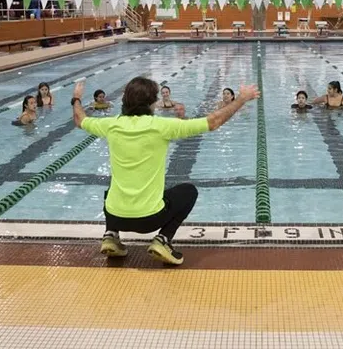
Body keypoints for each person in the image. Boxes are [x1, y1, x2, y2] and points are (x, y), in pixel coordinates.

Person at [71, 77, 260, 265]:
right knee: (188, 191)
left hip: (115, 215)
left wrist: (76, 98)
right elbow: (213, 122)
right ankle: (163, 240)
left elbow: (80, 120)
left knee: (113, 187)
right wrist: (241, 99)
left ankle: (111, 235)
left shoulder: (111, 125)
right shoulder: (161, 126)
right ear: (152, 103)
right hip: (149, 220)